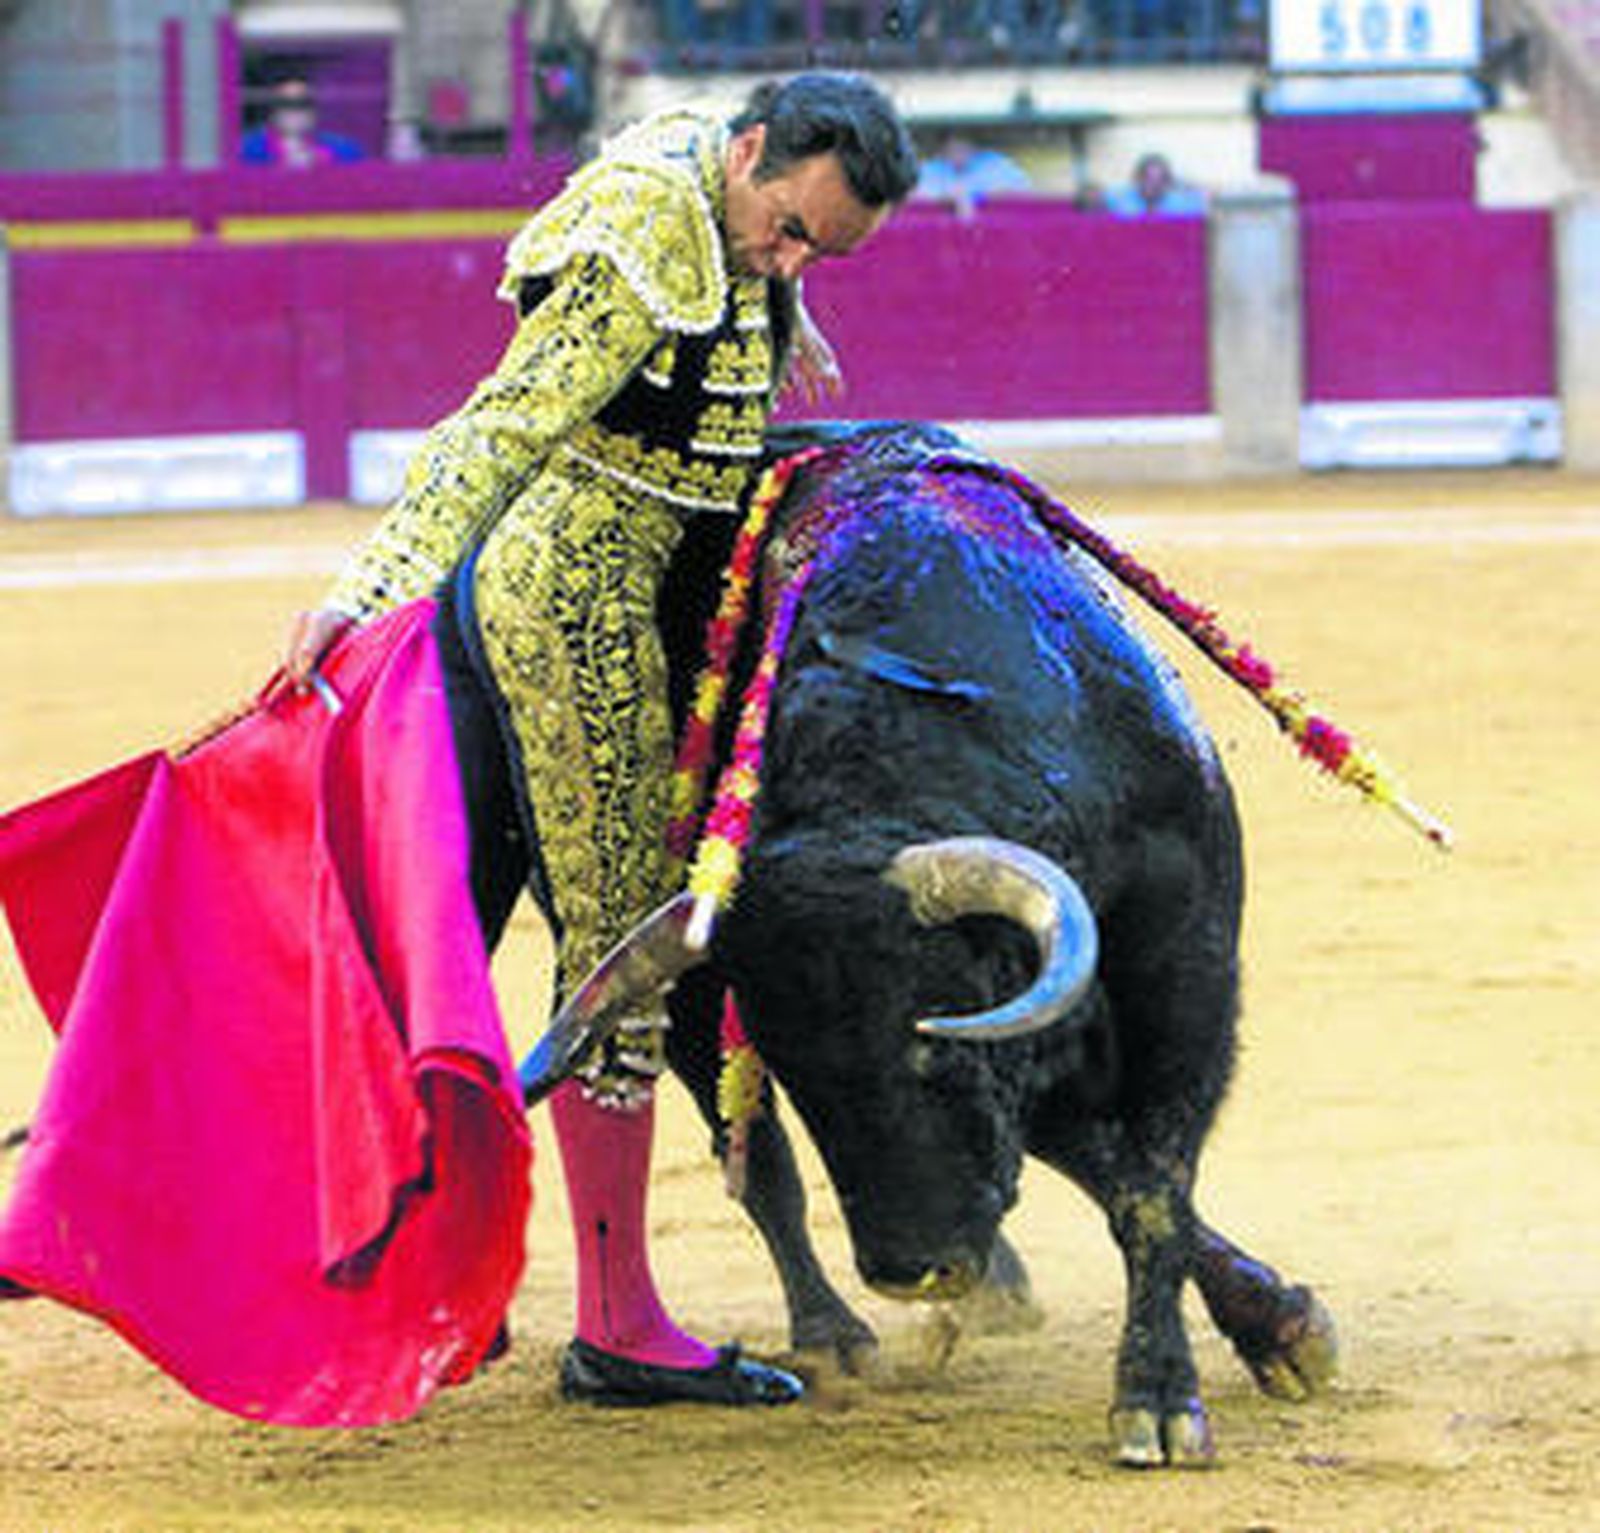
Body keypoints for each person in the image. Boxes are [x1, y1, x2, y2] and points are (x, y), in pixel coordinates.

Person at [285, 72, 919, 1407]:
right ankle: (618, 1322)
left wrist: (783, 300)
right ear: (751, 150)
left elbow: (756, 267)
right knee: (625, 939)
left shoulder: (741, 203)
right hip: (575, 584)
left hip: (679, 573)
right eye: (789, 228)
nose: (789, 258)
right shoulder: (641, 238)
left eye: (821, 253)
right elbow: (498, 427)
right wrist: (372, 580)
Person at [240, 79, 364, 168]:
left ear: (314, 111)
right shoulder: (247, 149)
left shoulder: (344, 148)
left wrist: (319, 162)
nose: (295, 111)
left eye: (303, 104)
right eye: (286, 104)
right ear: (272, 111)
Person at [914, 132, 1032, 217]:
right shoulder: (932, 168)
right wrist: (944, 199)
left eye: (963, 146)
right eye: (952, 148)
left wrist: (978, 198)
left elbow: (1023, 193)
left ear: (974, 146)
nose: (958, 153)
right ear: (943, 149)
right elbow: (912, 197)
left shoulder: (994, 163)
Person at [1103, 151, 1206, 217]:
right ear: (1138, 179)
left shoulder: (1183, 205)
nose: (1152, 185)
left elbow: (1206, 200)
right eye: (1147, 178)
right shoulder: (1118, 200)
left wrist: (1185, 184)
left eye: (1159, 180)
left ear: (1167, 182)